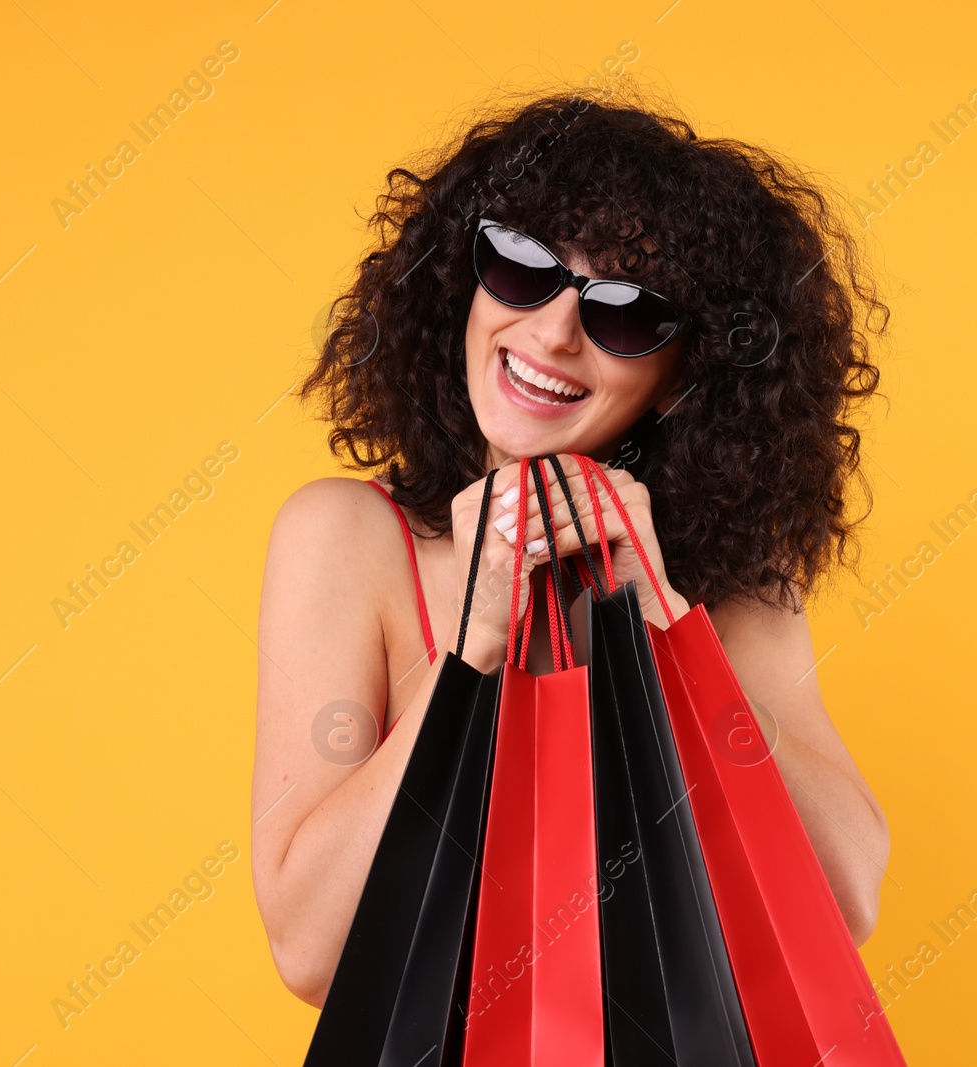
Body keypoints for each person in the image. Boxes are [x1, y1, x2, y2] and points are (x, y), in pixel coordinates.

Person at [251, 86, 892, 1009]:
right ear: (461, 286)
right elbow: (314, 950)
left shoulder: (728, 579)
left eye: (627, 312)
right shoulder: (348, 539)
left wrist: (668, 621)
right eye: (520, 266)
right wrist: (471, 639)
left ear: (683, 378)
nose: (553, 331)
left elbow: (845, 896)